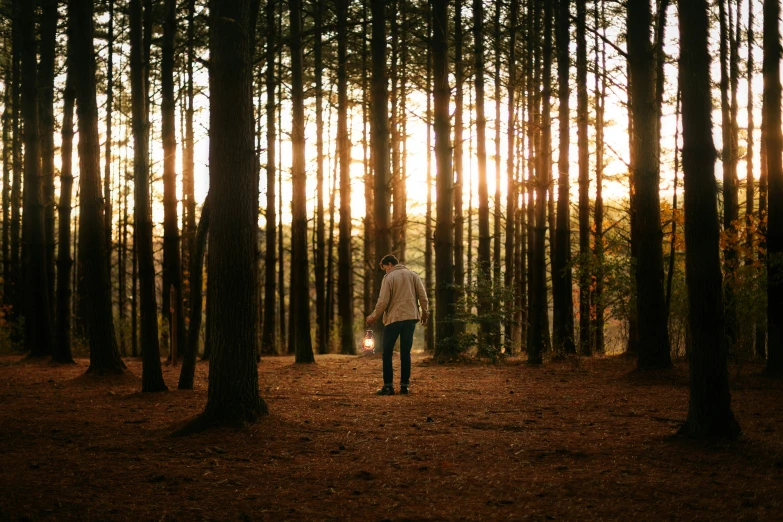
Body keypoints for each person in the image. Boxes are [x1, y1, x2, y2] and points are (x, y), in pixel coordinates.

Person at [365, 254, 429, 395]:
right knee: (405, 353)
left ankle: (388, 386)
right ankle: (404, 386)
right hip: (410, 318)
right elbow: (423, 297)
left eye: (385, 268)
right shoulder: (414, 275)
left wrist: (373, 317)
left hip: (394, 319)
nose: (385, 271)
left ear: (389, 264)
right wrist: (425, 314)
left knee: (387, 353)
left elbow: (383, 302)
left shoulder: (389, 278)